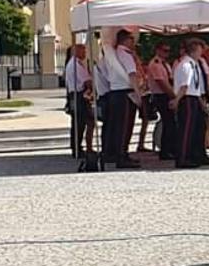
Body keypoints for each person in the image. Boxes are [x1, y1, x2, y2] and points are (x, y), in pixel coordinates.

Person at [95, 30, 141, 169]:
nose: (134, 42)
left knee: (116, 126)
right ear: (126, 40)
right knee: (124, 126)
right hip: (124, 93)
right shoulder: (125, 54)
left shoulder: (112, 55)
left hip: (115, 93)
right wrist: (138, 94)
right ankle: (121, 155)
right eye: (132, 39)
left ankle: (115, 154)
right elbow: (132, 75)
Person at [172, 39, 209, 169]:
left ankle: (197, 154)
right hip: (187, 99)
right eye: (200, 50)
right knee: (186, 130)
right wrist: (176, 100)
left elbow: (197, 86)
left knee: (199, 128)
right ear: (194, 50)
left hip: (195, 97)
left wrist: (201, 100)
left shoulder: (194, 64)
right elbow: (184, 86)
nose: (201, 53)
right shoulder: (186, 64)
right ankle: (183, 157)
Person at [62, 44, 95, 159]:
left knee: (79, 123)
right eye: (83, 50)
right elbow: (86, 81)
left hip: (76, 95)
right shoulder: (76, 65)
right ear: (76, 51)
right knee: (80, 123)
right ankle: (78, 148)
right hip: (78, 96)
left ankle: (78, 147)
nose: (85, 53)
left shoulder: (75, 64)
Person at [146, 43, 177, 159]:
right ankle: (165, 150)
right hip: (161, 96)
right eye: (164, 50)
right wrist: (173, 96)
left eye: (168, 51)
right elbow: (162, 83)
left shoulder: (165, 64)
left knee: (171, 123)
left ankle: (171, 148)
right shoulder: (156, 64)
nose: (167, 53)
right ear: (157, 50)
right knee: (168, 123)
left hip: (167, 94)